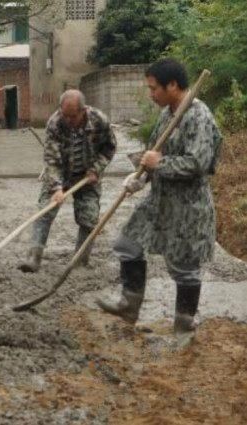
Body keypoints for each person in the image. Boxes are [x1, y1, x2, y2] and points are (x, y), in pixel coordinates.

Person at [96, 59, 222, 343]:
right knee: (127, 244)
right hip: (159, 201)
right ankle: (129, 305)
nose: (151, 94)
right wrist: (140, 176)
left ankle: (184, 325)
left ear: (173, 85)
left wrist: (160, 163)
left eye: (154, 88)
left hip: (188, 207)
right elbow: (151, 155)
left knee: (184, 267)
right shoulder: (168, 114)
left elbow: (197, 163)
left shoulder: (197, 116)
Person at [19, 90, 116, 272]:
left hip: (87, 176)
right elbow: (51, 160)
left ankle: (80, 261)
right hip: (60, 173)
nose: (69, 120)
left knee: (89, 217)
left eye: (73, 116)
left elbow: (109, 148)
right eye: (65, 115)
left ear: (83, 110)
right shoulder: (55, 123)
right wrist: (56, 187)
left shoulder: (99, 120)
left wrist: (96, 169)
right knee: (44, 212)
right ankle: (34, 257)